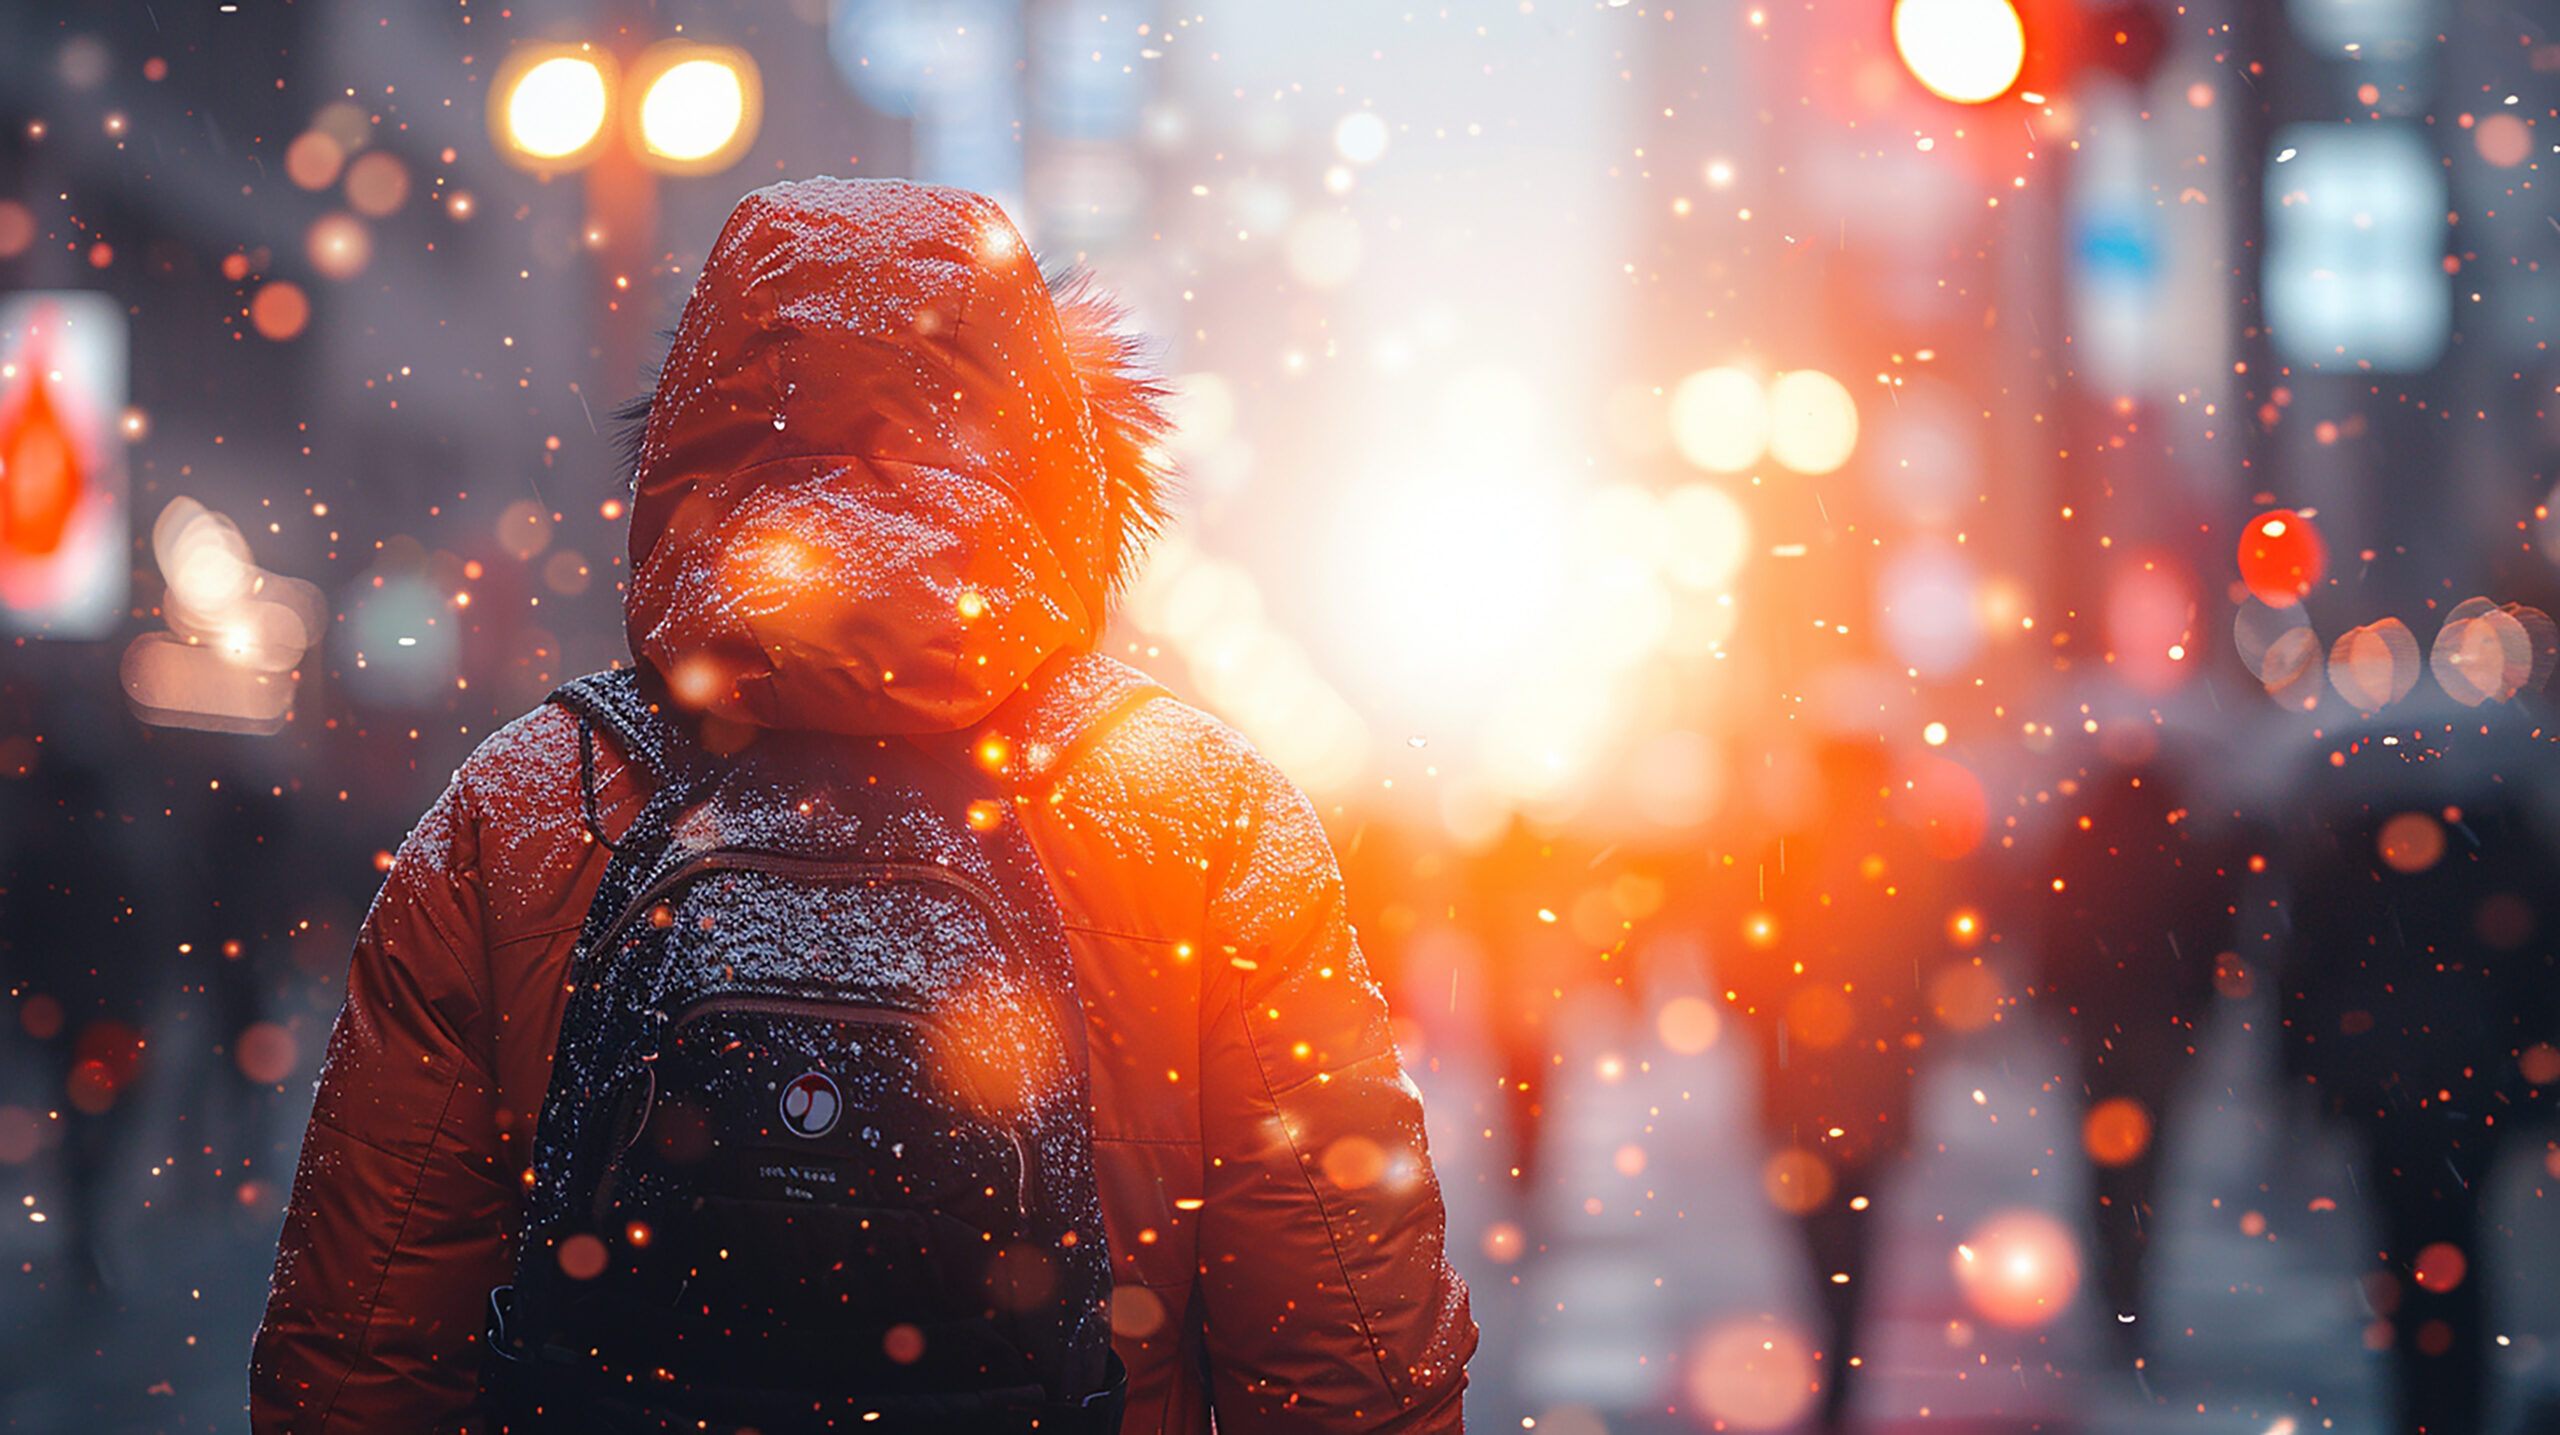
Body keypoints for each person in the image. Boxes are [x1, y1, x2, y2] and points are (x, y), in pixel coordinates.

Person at [249, 177, 1475, 1434]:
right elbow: (1349, 1362)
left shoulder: (524, 802)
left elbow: (355, 1348)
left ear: (693, 432)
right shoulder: (1202, 813)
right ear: (1057, 442)